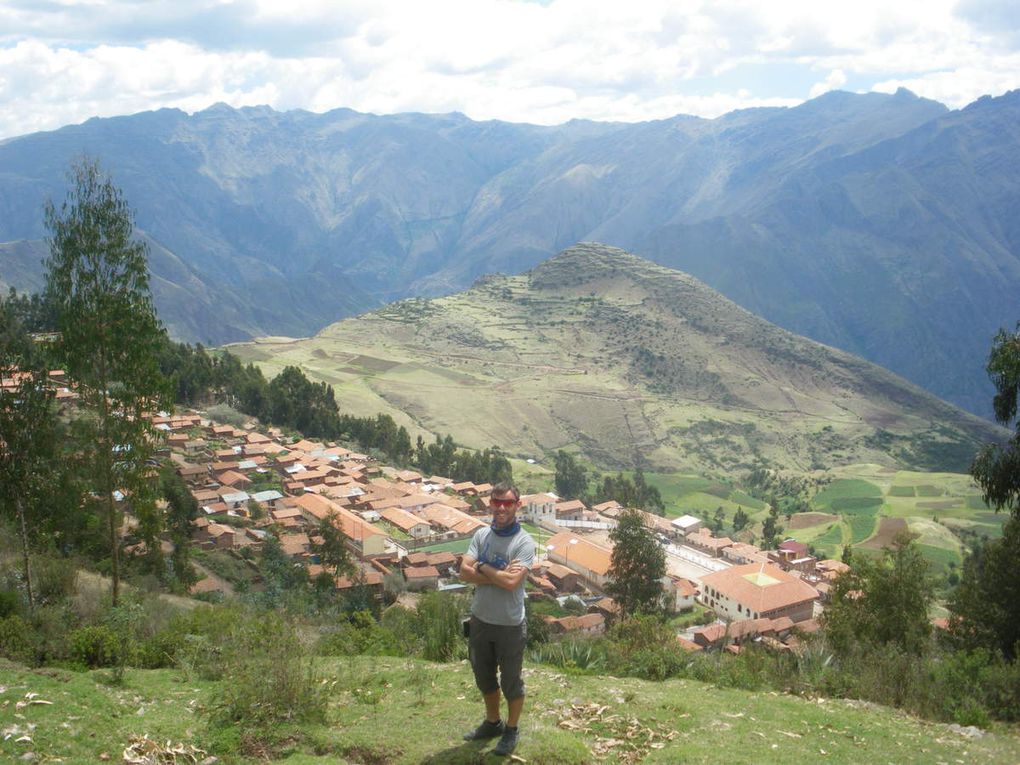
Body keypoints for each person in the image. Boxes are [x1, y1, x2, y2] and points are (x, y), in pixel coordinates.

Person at [459, 481, 535, 757]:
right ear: (490, 503)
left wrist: (480, 566)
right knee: (484, 677)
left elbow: (512, 582)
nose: (501, 508)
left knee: (511, 681)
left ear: (517, 506)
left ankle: (511, 729)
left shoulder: (524, 542)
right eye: (497, 502)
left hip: (510, 625)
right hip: (480, 620)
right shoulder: (481, 535)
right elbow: (463, 572)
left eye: (508, 503)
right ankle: (493, 723)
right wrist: (494, 572)